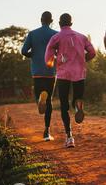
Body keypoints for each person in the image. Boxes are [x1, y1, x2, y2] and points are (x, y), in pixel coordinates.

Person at [45, 13, 96, 148]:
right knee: (77, 97)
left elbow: (48, 56)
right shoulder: (81, 37)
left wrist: (52, 61)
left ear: (60, 24)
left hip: (63, 75)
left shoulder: (56, 37)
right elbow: (93, 52)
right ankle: (78, 105)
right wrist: (83, 60)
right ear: (71, 24)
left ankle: (69, 137)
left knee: (63, 105)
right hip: (79, 73)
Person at [21, 11, 58, 141]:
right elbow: (60, 52)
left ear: (41, 20)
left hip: (37, 72)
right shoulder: (55, 35)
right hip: (50, 72)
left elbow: (23, 51)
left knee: (40, 97)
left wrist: (34, 55)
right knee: (49, 101)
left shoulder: (32, 34)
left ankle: (38, 100)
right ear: (51, 21)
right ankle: (47, 132)